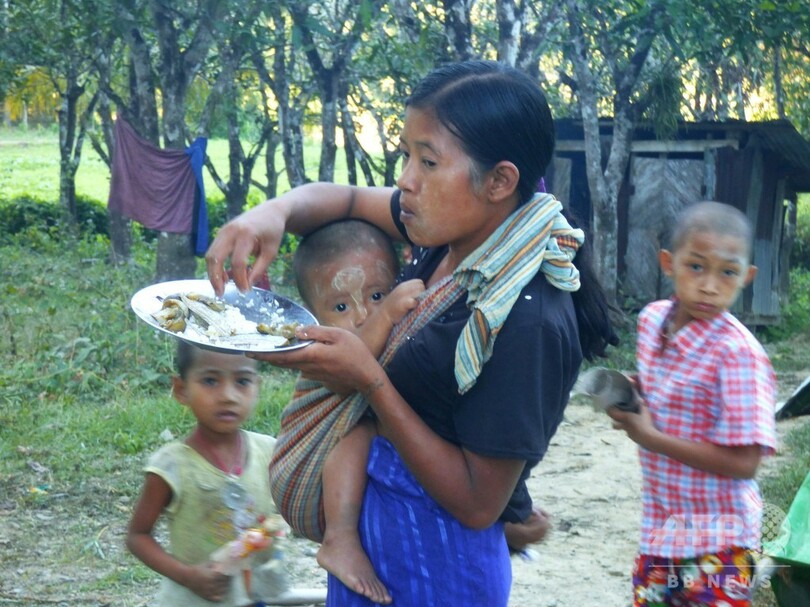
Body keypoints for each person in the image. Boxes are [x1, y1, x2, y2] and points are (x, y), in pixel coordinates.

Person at [207, 60, 617, 606]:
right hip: (373, 551)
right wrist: (272, 213)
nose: (405, 179)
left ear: (500, 181)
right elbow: (348, 201)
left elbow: (476, 503)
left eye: (427, 160)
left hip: (438, 568)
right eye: (406, 155)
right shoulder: (449, 239)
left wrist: (370, 381)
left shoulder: (523, 318)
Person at [271, 219, 553, 604]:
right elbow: (348, 373)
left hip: (451, 521)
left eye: (375, 295)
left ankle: (506, 532)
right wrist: (386, 313)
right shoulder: (326, 346)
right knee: (359, 430)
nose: (360, 316)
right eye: (340, 306)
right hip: (315, 451)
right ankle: (340, 537)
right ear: (312, 315)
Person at [607, 201, 778, 607]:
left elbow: (744, 463)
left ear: (747, 278)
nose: (709, 285)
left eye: (728, 272)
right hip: (660, 533)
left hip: (720, 544)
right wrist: (633, 395)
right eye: (696, 266)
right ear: (669, 262)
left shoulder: (737, 354)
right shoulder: (651, 322)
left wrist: (651, 438)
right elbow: (662, 388)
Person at [126, 341, 325, 606]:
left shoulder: (268, 451)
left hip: (252, 597)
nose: (228, 396)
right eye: (210, 381)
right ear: (181, 390)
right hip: (191, 599)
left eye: (242, 381)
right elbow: (137, 536)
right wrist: (188, 576)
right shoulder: (172, 465)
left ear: (257, 386)